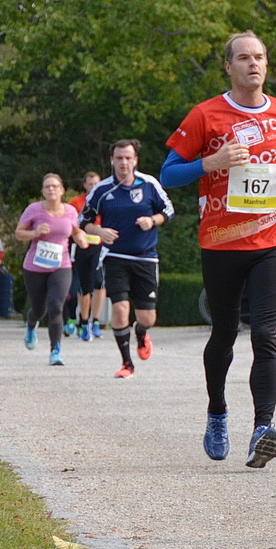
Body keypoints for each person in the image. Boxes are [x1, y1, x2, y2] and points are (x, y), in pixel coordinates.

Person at [162, 30, 276, 468]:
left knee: (264, 335)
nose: (254, 64)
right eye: (243, 58)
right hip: (222, 241)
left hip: (273, 238)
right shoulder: (206, 115)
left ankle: (263, 428)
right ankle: (217, 412)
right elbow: (168, 175)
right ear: (229, 66)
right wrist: (211, 163)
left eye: (260, 57)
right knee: (224, 334)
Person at [82, 140, 175, 377]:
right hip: (115, 257)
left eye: (128, 158)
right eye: (119, 158)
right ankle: (127, 364)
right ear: (112, 160)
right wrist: (99, 231)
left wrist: (152, 221)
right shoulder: (102, 190)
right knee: (120, 310)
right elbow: (82, 221)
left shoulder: (149, 184)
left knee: (147, 317)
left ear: (135, 160)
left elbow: (168, 211)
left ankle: (141, 332)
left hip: (146, 258)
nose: (123, 162)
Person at [15, 173, 83, 365]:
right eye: (47, 187)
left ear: (62, 190)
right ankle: (31, 325)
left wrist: (81, 238)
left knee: (55, 306)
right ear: (43, 191)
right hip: (35, 266)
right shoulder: (33, 210)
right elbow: (18, 233)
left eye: (55, 186)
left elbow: (75, 230)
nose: (51, 189)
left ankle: (55, 351)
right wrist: (35, 233)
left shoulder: (70, 211)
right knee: (39, 309)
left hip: (61, 265)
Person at [65, 170, 105, 340]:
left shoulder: (105, 200)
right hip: (81, 246)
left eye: (96, 183)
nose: (93, 186)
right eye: (90, 183)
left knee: (99, 282)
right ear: (84, 185)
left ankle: (95, 321)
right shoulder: (77, 202)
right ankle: (84, 320)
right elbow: (70, 223)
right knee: (83, 285)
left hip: (100, 246)